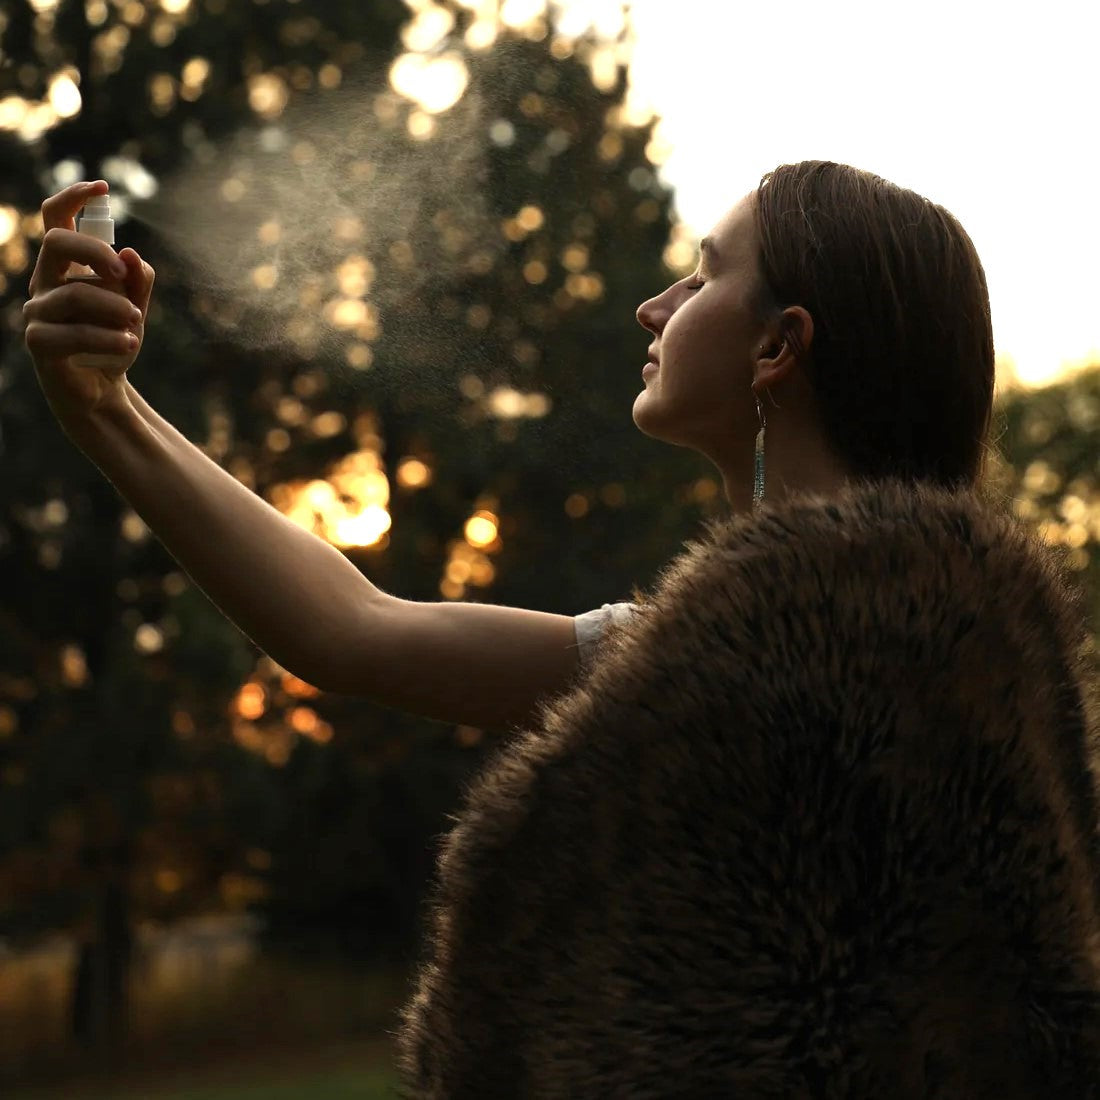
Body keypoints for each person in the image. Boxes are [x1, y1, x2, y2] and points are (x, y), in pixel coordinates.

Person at [22, 160, 995, 734]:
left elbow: (352, 633)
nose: (653, 307)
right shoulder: (701, 653)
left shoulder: (773, 671)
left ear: (777, 347)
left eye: (701, 280)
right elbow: (351, 630)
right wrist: (107, 409)